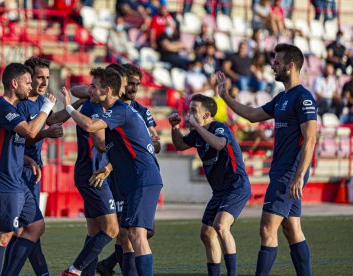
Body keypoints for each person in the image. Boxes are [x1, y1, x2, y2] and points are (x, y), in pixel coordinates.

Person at [218, 43, 317, 276]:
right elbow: (253, 115)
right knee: (292, 229)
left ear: (290, 66)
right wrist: (225, 97)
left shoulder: (303, 98)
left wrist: (299, 176)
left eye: (278, 62)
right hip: (283, 171)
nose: (273, 65)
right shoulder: (283, 97)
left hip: (289, 173)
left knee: (266, 229)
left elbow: (310, 139)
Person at [62, 67, 163, 276]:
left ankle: (75, 270)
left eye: (94, 87)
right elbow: (106, 145)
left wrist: (69, 109)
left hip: (142, 180)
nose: (90, 90)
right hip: (132, 181)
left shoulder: (119, 110)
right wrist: (109, 164)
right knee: (125, 235)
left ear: (106, 90)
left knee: (137, 235)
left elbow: (90, 126)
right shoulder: (116, 110)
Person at [1, 57, 86, 276]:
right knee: (30, 228)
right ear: (28, 77)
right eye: (39, 77)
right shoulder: (18, 103)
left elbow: (53, 117)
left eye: (47, 78)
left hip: (34, 172)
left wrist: (74, 104)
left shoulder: (40, 101)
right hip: (19, 171)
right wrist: (46, 134)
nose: (44, 82)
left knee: (27, 229)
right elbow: (21, 138)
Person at [0, 63, 56, 276]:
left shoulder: (14, 110)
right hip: (2, 181)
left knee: (35, 226)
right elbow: (31, 132)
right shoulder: (1, 108)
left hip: (17, 181)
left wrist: (25, 159)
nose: (31, 85)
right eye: (27, 82)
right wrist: (46, 108)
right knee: (2, 235)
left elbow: (7, 143)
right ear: (14, 84)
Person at [167, 94, 251, 276]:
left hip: (236, 186)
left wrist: (196, 126)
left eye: (193, 111)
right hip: (219, 191)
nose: (189, 114)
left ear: (206, 115)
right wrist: (174, 127)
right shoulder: (197, 133)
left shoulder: (220, 128)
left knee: (220, 226)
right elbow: (180, 145)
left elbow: (220, 144)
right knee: (206, 233)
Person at [96, 63, 160, 276]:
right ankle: (109, 265)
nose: (132, 88)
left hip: (136, 176)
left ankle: (108, 264)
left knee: (137, 232)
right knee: (126, 234)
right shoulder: (109, 107)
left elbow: (153, 145)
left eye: (136, 84)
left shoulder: (140, 111)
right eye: (129, 83)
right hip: (120, 178)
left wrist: (152, 140)